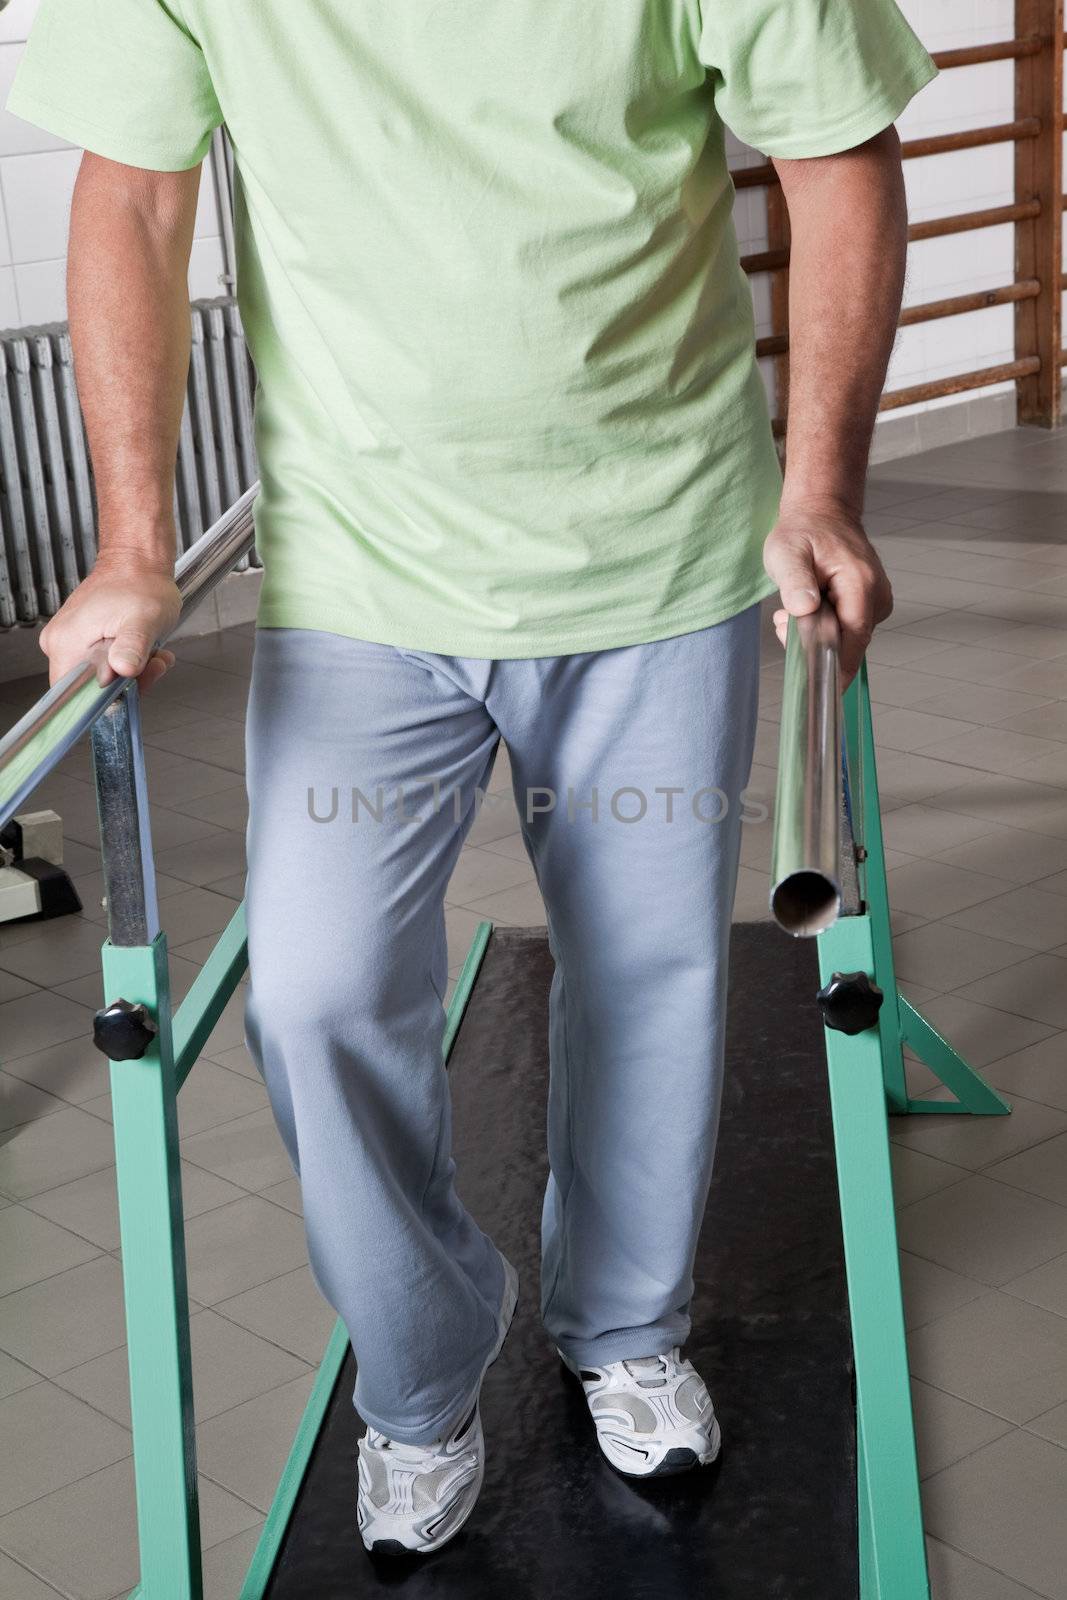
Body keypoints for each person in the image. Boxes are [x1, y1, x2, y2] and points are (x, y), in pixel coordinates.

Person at [10, 0, 930, 1557]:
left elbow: (839, 150)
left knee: (646, 975)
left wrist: (822, 488)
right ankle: (423, 1373)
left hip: (658, 547)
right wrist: (132, 548)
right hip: (364, 571)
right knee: (314, 992)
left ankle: (624, 1327)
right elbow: (137, 190)